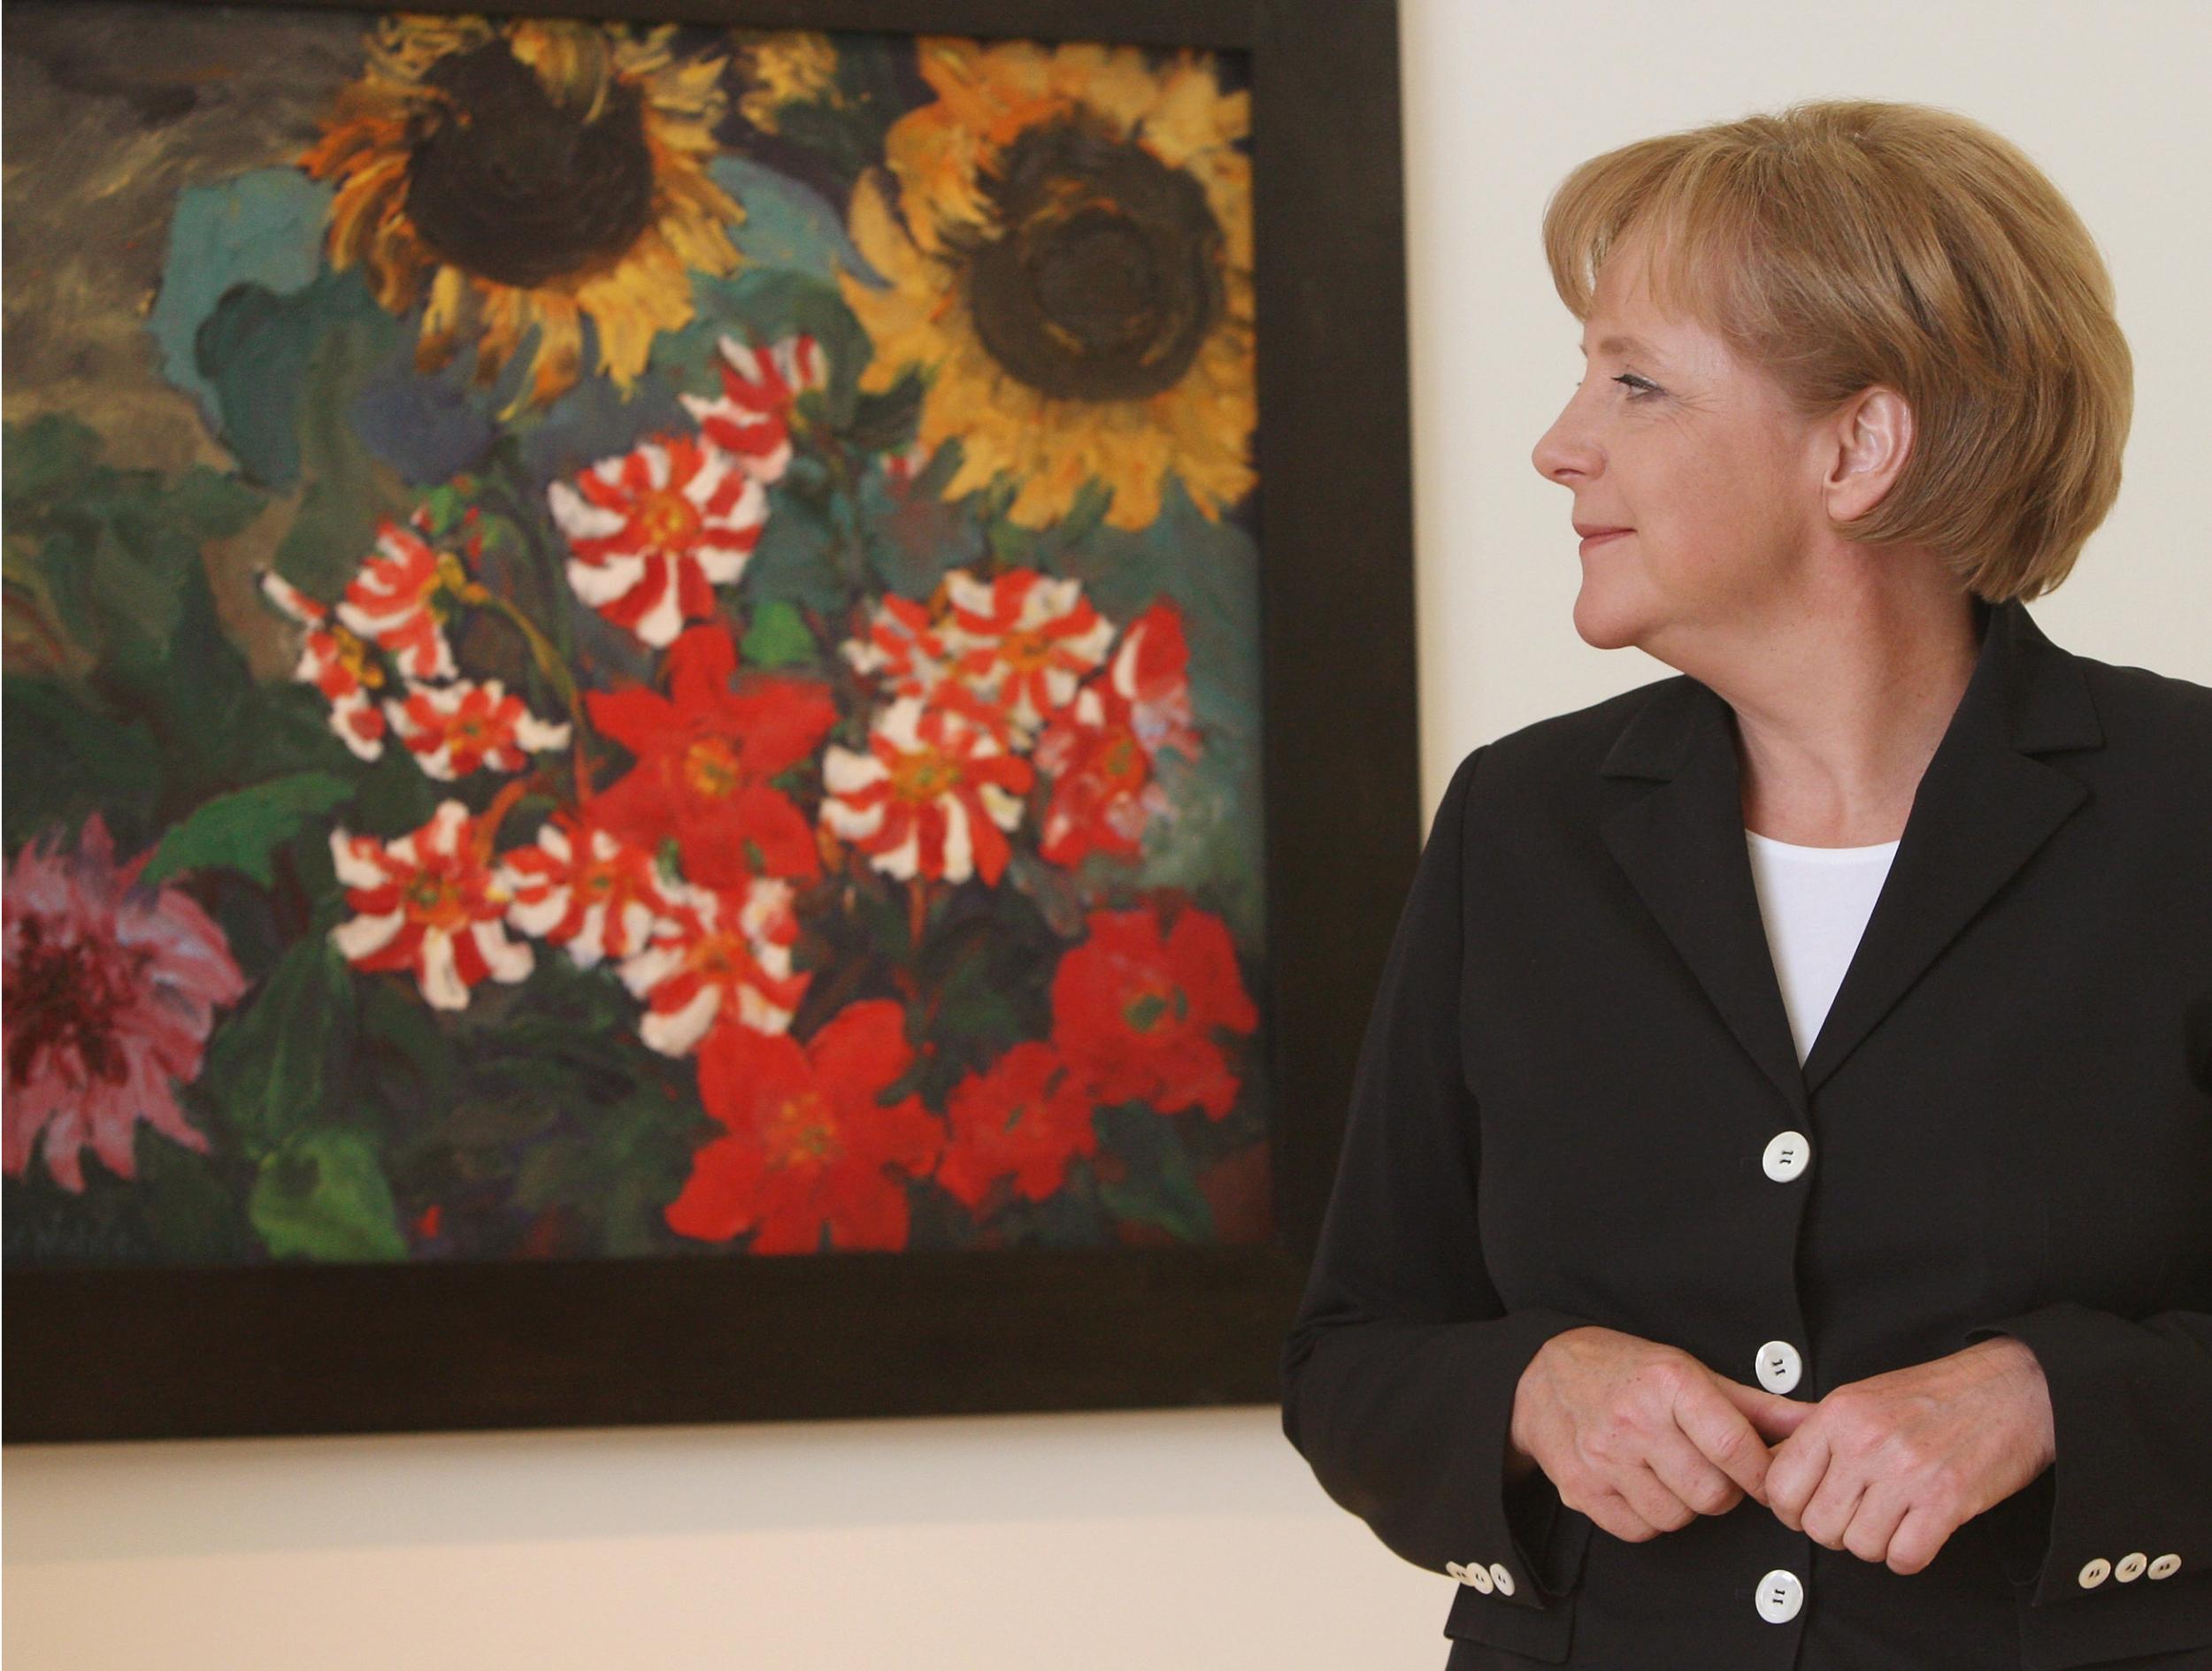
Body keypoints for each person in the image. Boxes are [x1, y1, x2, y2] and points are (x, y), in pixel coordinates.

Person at [1279, 98, 2212, 1669]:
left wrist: (2053, 1397)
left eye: (1635, 381)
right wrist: (1535, 1387)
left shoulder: (2190, 808)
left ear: (1857, 444)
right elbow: (1354, 1351)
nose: (1559, 443)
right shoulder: (1521, 823)